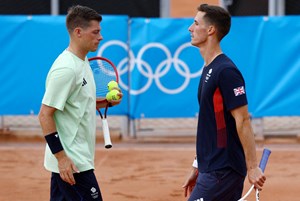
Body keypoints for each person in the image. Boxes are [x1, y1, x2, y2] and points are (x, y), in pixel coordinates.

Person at [182, 4, 266, 201]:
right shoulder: (209, 69)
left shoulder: (226, 71)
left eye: (195, 23)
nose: (190, 28)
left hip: (223, 171)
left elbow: (243, 120)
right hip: (211, 169)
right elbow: (210, 125)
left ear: (210, 30)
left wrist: (252, 167)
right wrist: (198, 165)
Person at [38, 5, 122, 201]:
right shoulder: (66, 69)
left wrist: (107, 103)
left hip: (74, 160)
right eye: (96, 32)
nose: (100, 37)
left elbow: (80, 104)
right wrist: (61, 158)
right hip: (73, 163)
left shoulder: (83, 62)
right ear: (78, 32)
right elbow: (45, 114)